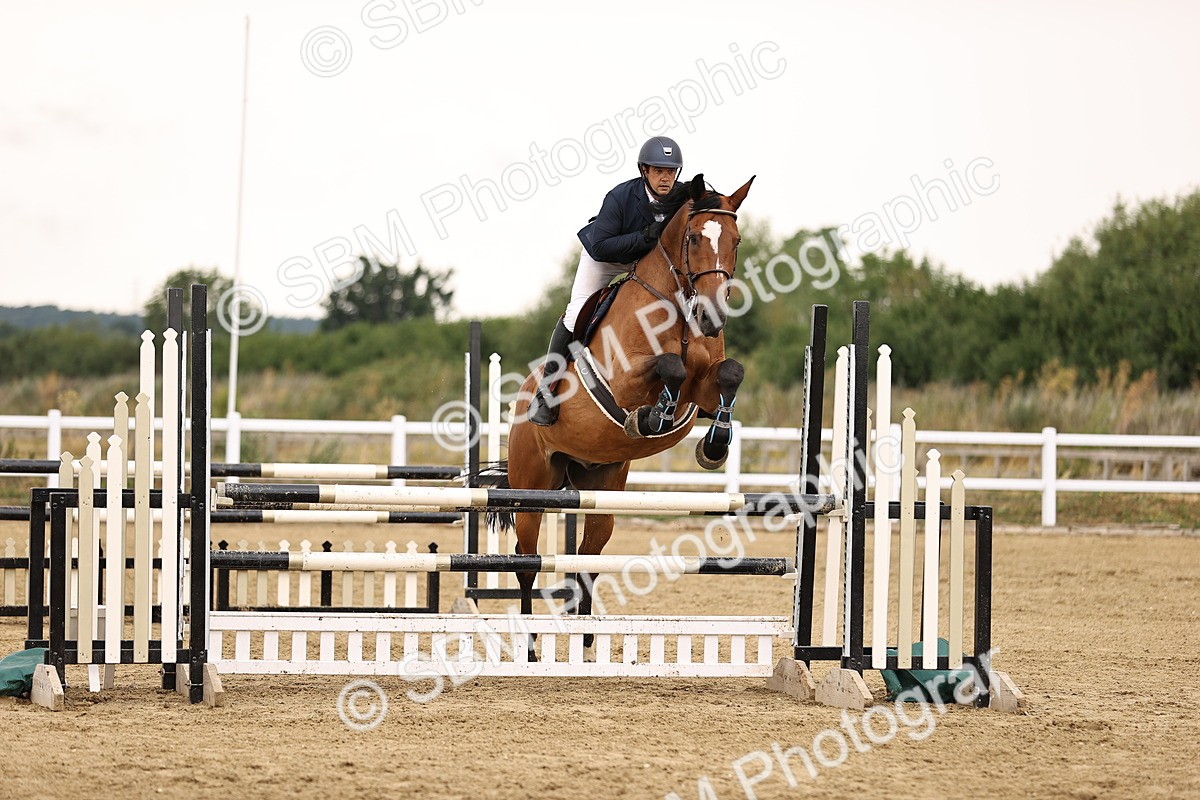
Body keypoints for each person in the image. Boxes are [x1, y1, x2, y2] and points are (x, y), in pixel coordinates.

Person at [526, 136, 684, 426]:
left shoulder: (682, 196)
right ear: (644, 171)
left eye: (671, 171)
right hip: (606, 258)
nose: (666, 178)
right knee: (575, 315)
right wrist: (643, 237)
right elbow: (600, 246)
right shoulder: (620, 197)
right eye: (659, 170)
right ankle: (546, 392)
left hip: (648, 264)